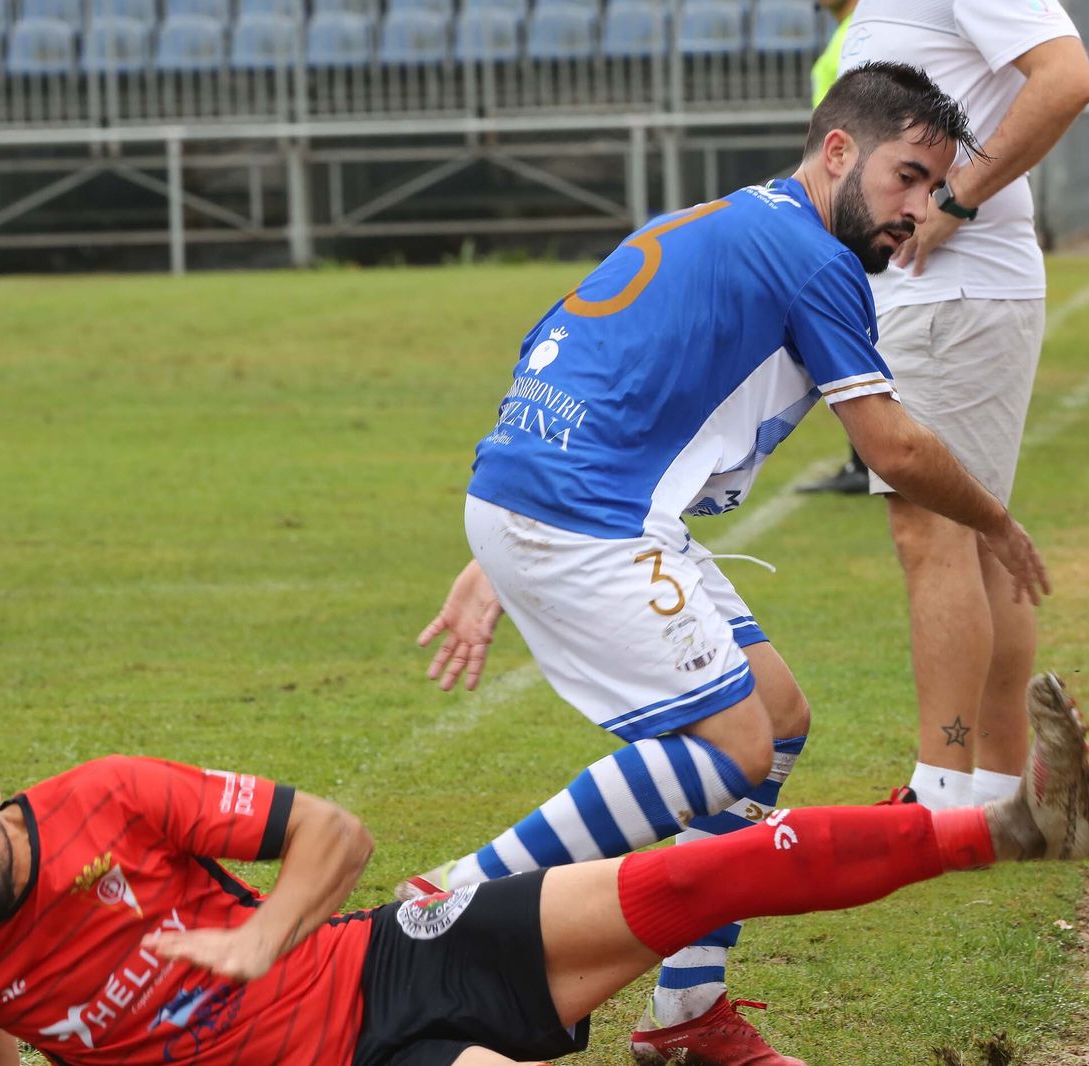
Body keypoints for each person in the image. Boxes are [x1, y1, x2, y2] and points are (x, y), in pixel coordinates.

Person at [408, 62, 1051, 1065]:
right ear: (837, 151)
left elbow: (580, 349)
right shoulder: (813, 258)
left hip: (570, 500)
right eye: (907, 179)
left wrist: (499, 536)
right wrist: (997, 522)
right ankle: (447, 900)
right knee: (732, 746)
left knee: (778, 718)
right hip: (589, 516)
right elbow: (891, 447)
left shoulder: (724, 220)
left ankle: (684, 1016)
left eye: (933, 189)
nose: (919, 209)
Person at [0, 675, 1089, 1066]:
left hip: (382, 955)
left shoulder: (106, 796)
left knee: (692, 881)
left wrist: (259, 938)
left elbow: (333, 834)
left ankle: (1007, 830)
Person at [839, 0, 1089, 811]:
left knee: (934, 529)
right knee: (974, 534)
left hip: (953, 289)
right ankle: (990, 791)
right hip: (938, 292)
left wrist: (956, 199)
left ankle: (945, 792)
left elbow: (1066, 79)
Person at [798, 0, 873, 496]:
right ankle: (863, 459)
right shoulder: (849, 30)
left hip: (848, 191)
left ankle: (869, 457)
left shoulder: (861, 31)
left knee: (854, 318)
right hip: (838, 183)